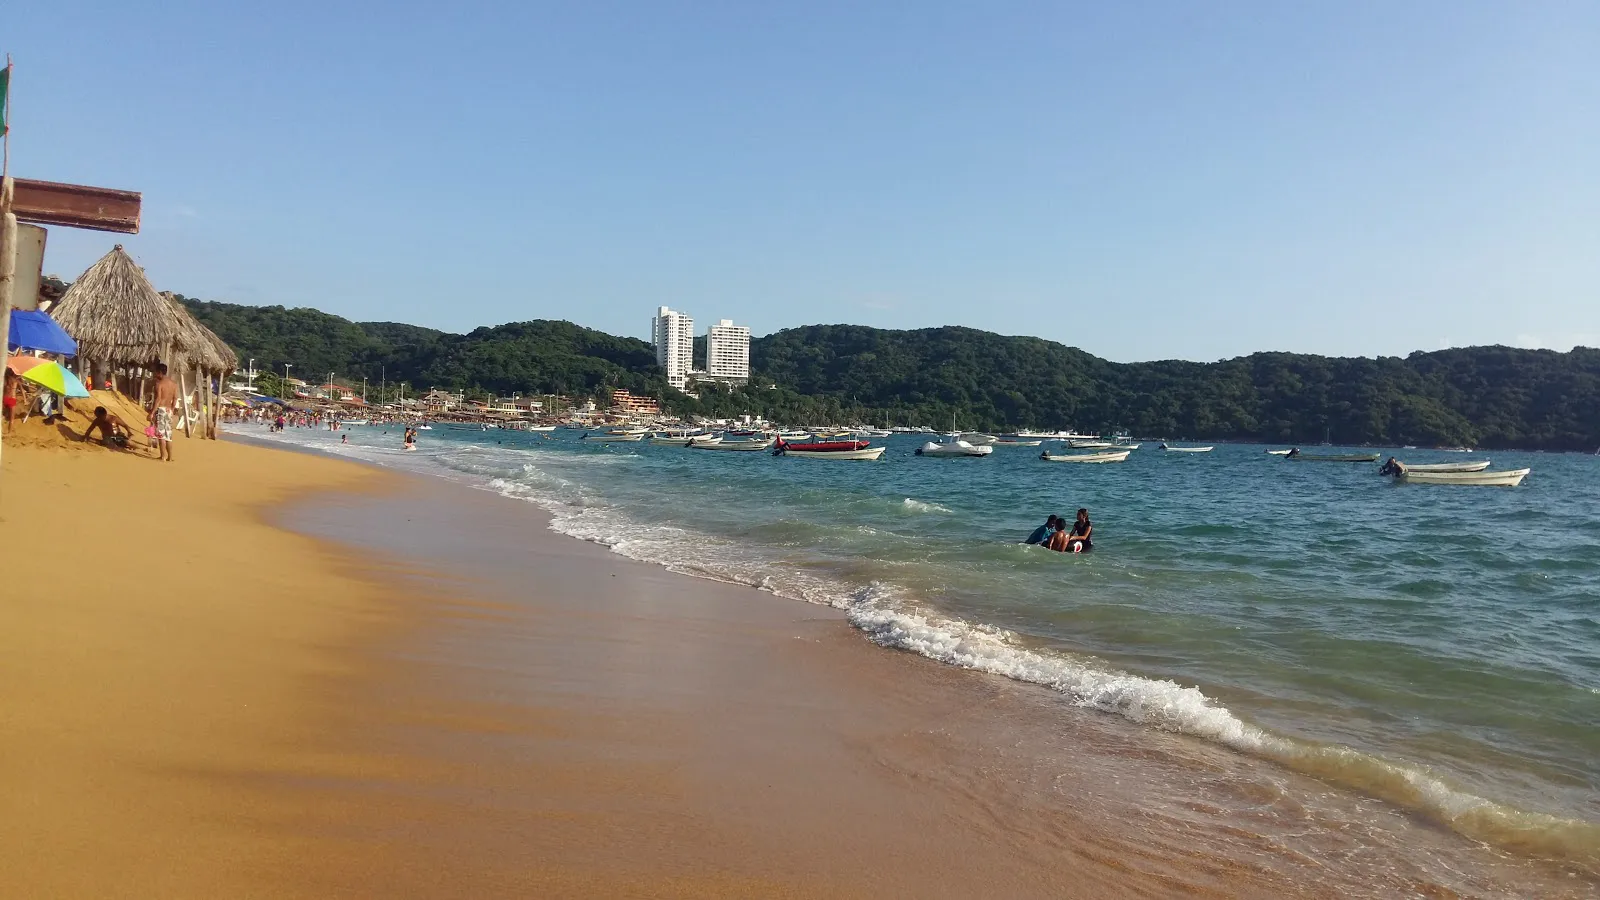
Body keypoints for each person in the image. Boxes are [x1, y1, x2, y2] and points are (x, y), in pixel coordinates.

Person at [149, 363, 177, 461]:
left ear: (159, 372)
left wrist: (152, 412)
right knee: (168, 435)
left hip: (161, 410)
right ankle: (170, 457)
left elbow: (158, 399)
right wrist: (172, 410)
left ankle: (163, 456)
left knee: (161, 435)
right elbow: (175, 399)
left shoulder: (159, 384)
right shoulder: (174, 384)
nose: (155, 374)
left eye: (156, 372)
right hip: (169, 411)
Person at [3, 369, 18, 434]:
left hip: (5, 398)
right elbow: (23, 390)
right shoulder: (15, 381)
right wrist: (25, 399)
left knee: (4, 413)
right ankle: (9, 432)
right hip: (12, 399)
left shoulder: (4, 380)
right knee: (12, 419)